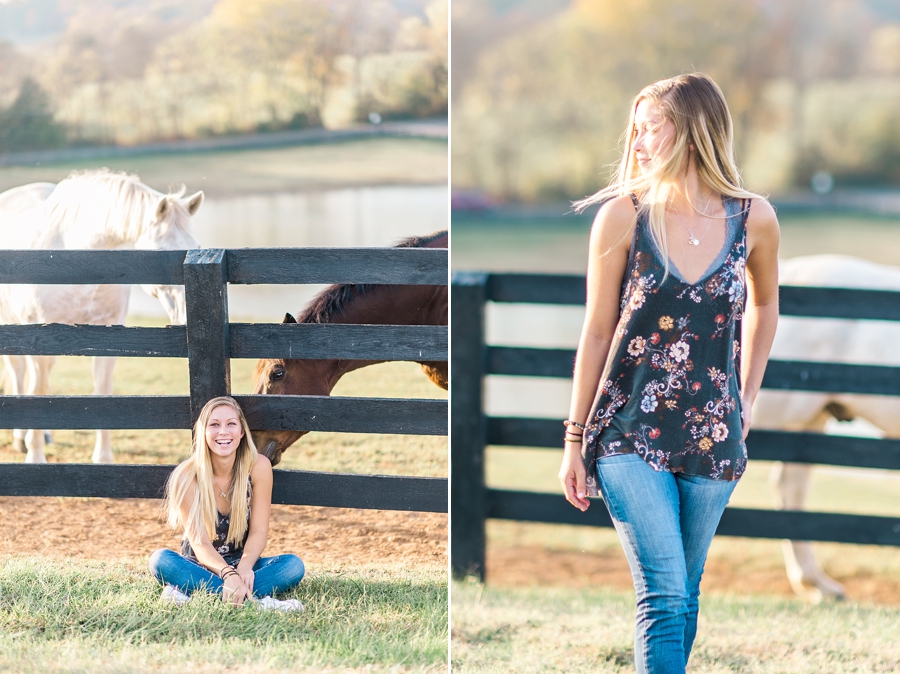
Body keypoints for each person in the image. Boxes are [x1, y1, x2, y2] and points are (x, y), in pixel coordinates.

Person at [557, 73, 780, 673]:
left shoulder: (754, 218)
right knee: (663, 591)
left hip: (714, 432)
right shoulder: (620, 218)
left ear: (687, 129)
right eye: (634, 130)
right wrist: (575, 439)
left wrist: (747, 396)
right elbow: (598, 331)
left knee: (686, 590)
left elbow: (764, 305)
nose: (635, 143)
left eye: (648, 127)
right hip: (628, 430)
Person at [149, 396, 305, 610]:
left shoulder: (258, 466)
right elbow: (200, 543)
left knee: (293, 566)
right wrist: (228, 575)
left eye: (231, 424)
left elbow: (259, 531)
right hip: (201, 565)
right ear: (203, 432)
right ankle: (257, 603)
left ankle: (189, 595)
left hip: (243, 564)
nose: (223, 432)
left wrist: (243, 568)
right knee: (161, 560)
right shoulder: (187, 475)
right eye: (214, 425)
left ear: (242, 432)